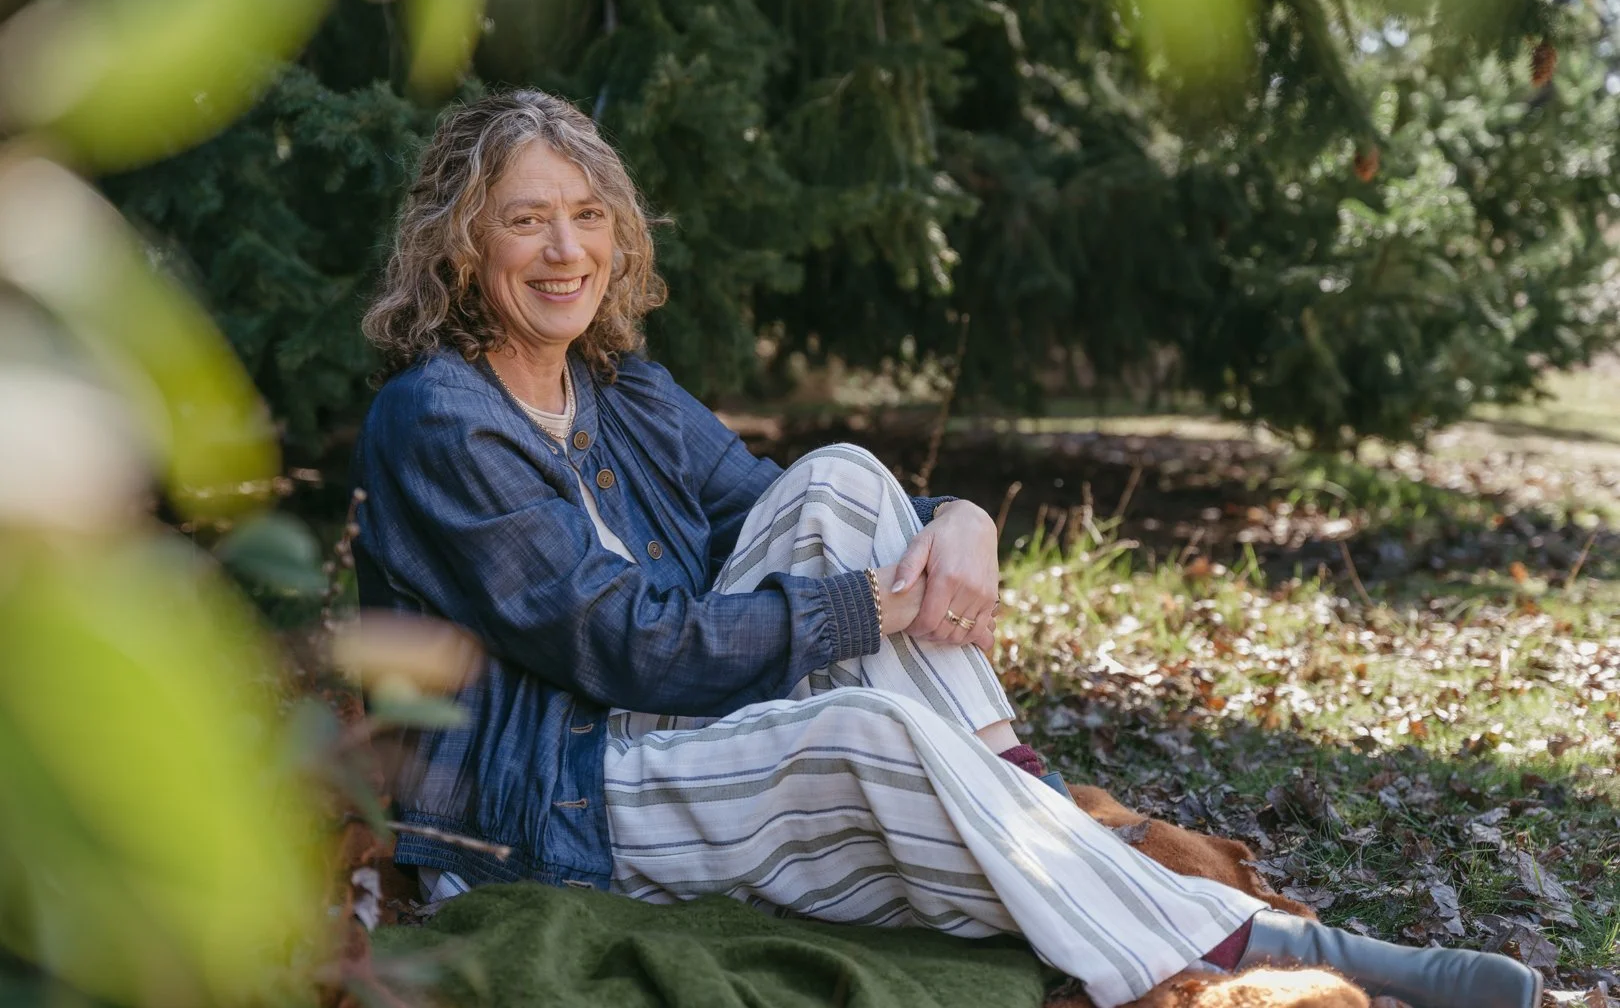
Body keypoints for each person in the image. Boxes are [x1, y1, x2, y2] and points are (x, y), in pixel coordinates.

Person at [351, 90, 1538, 1008]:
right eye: (526, 220)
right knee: (873, 727)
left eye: (588, 214)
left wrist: (955, 515)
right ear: (464, 249)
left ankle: (1019, 801)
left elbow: (783, 501)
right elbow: (623, 646)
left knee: (845, 477)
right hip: (546, 804)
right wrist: (866, 609)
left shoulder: (618, 385)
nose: (566, 250)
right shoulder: (437, 417)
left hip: (658, 735)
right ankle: (1273, 942)